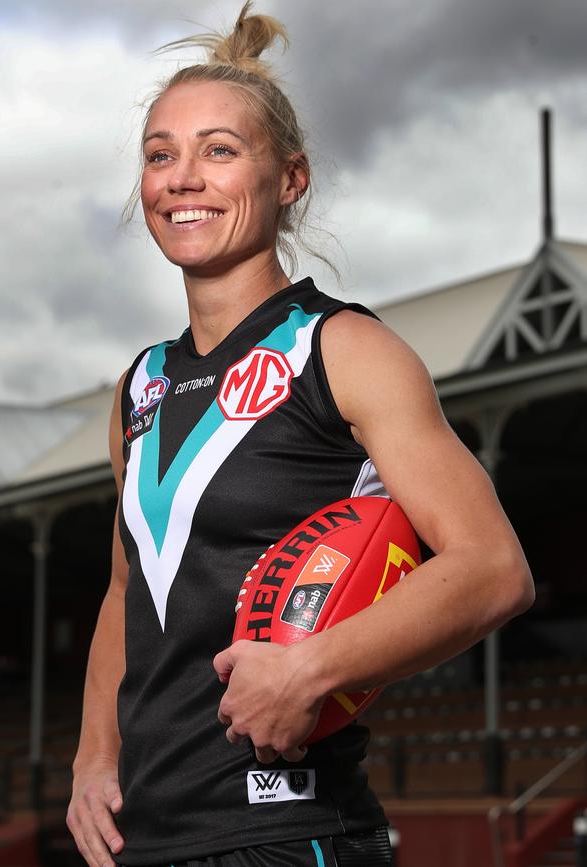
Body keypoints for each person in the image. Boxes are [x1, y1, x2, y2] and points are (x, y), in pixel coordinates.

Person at [66, 4, 535, 866]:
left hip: (289, 832)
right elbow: (124, 591)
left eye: (220, 150)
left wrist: (312, 667)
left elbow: (492, 567)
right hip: (144, 842)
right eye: (160, 154)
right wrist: (94, 755)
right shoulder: (142, 386)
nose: (182, 178)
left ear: (291, 179)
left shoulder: (344, 350)